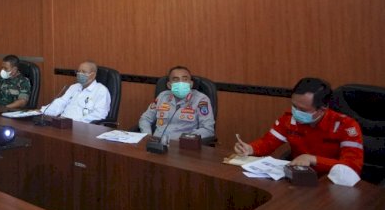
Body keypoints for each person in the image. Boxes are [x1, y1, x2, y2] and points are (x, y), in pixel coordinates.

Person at [234, 77, 364, 176]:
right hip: (300, 180)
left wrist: (313, 160)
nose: (296, 112)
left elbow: (351, 167)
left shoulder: (346, 126)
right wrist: (250, 148)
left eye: (302, 109)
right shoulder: (289, 119)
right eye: (294, 106)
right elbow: (267, 143)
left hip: (332, 182)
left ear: (323, 108)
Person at [137, 66, 215, 142]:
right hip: (156, 144)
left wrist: (185, 139)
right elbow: (145, 119)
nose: (181, 83)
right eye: (176, 79)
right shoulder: (162, 96)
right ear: (169, 85)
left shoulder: (201, 99)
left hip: (183, 147)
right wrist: (148, 136)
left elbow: (207, 129)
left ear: (191, 83)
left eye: (185, 79)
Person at [39, 61, 111, 123]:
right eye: (78, 71)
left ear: (93, 75)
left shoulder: (101, 90)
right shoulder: (74, 87)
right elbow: (61, 102)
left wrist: (77, 122)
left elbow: (99, 114)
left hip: (84, 129)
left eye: (84, 72)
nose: (80, 74)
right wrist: (43, 111)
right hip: (63, 124)